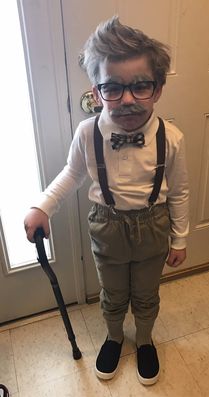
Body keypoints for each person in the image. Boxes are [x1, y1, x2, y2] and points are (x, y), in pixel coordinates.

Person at [24, 16, 189, 386]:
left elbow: (179, 191)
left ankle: (144, 340)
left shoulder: (172, 138)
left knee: (146, 293)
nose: (127, 99)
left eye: (140, 86)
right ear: (96, 93)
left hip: (154, 226)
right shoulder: (88, 133)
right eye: (112, 88)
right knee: (113, 292)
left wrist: (179, 238)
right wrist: (42, 206)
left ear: (158, 88)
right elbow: (71, 174)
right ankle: (115, 337)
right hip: (107, 226)